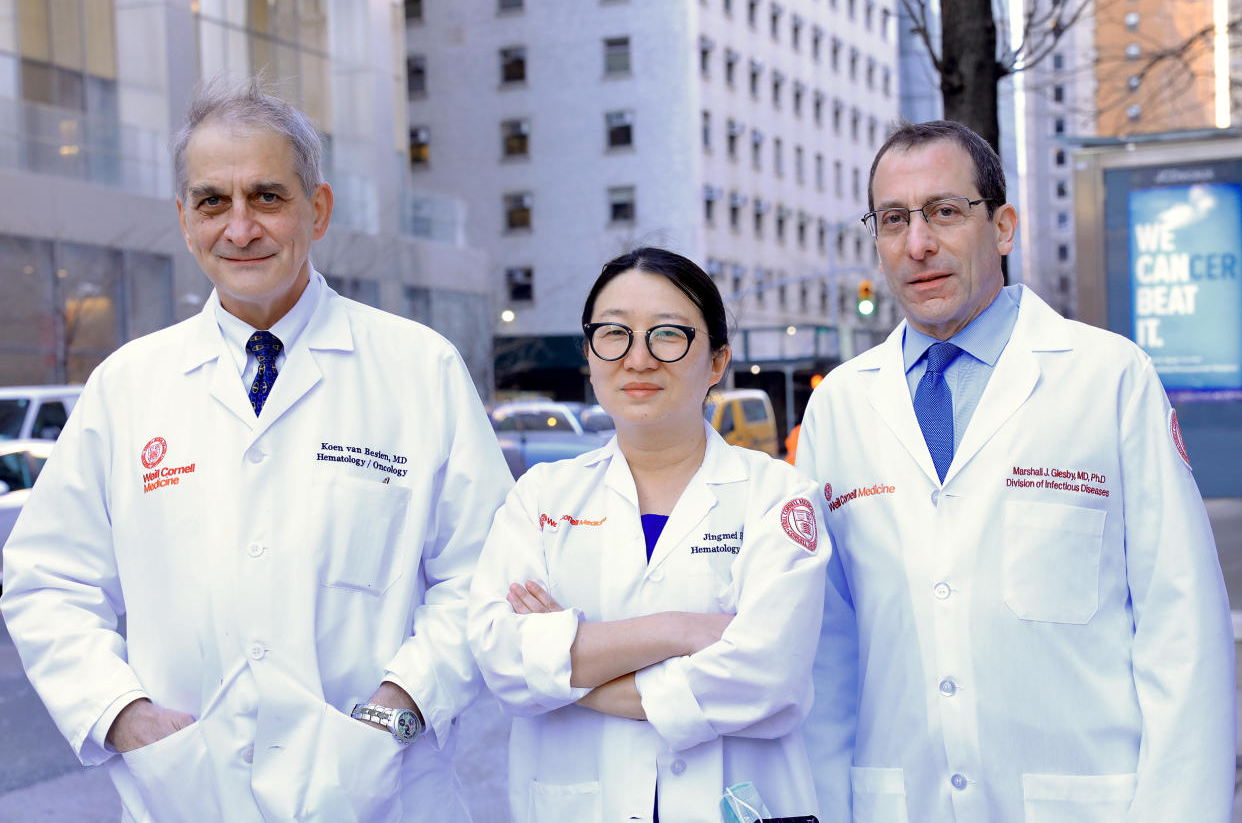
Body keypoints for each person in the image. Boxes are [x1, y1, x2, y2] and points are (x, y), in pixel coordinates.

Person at [0, 76, 511, 822]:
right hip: (187, 794)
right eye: (213, 201)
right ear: (183, 219)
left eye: (267, 197)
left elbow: (485, 574)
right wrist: (123, 716)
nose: (239, 228)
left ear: (318, 209)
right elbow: (48, 581)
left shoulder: (418, 370)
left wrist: (399, 709)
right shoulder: (128, 386)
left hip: (387, 794)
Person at [796, 119, 1236, 821]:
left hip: (1087, 801)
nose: (918, 244)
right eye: (893, 220)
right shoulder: (840, 407)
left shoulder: (1107, 379)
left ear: (1003, 227)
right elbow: (825, 652)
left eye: (944, 212)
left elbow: (1181, 627)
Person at [468, 247, 829, 823]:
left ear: (716, 362)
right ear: (589, 355)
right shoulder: (540, 498)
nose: (637, 358)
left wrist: (565, 672)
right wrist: (678, 630)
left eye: (668, 335)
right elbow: (500, 658)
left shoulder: (778, 498)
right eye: (613, 333)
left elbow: (767, 676)